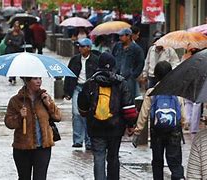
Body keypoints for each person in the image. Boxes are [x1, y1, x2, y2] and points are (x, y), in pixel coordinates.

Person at [77, 52, 137, 180]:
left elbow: (82, 107)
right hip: (115, 128)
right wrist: (131, 125)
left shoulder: (90, 83)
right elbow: (128, 108)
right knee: (113, 157)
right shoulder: (121, 83)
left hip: (95, 128)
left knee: (98, 157)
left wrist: (88, 116)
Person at [133, 61, 185, 180]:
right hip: (174, 130)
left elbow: (144, 114)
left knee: (157, 160)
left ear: (156, 75)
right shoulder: (176, 91)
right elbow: (182, 114)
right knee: (175, 160)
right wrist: (183, 123)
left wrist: (138, 130)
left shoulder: (151, 92)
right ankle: (178, 176)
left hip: (157, 131)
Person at [4, 76, 61, 180]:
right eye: (35, 78)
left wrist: (49, 104)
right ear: (27, 80)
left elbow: (58, 117)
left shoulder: (45, 97)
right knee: (24, 177)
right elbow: (9, 123)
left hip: (43, 147)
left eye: (40, 78)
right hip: (23, 147)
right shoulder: (16, 100)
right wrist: (20, 116)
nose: (39, 81)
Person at [63, 38, 99, 150]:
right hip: (77, 87)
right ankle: (77, 140)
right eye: (79, 46)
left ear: (89, 48)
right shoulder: (74, 60)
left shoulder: (95, 60)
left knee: (89, 114)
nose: (80, 48)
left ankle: (89, 141)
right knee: (76, 113)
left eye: (83, 46)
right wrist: (67, 91)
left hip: (90, 89)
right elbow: (68, 75)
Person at [112, 28, 144, 99]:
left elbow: (140, 64)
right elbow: (113, 58)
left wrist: (133, 75)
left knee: (128, 98)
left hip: (129, 78)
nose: (120, 38)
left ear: (128, 36)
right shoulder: (117, 46)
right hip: (116, 77)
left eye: (121, 36)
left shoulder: (136, 49)